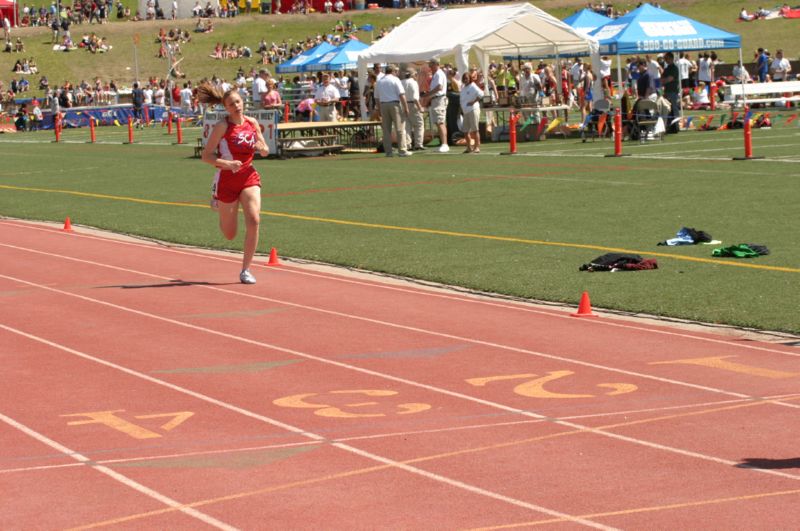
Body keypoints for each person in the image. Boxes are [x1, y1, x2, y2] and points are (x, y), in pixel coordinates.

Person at [198, 83, 269, 285]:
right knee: (230, 235)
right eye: (231, 104)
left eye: (238, 101)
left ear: (242, 102)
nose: (236, 106)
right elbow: (206, 156)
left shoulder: (252, 122)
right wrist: (227, 164)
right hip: (227, 179)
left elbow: (263, 147)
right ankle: (218, 202)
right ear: (226, 107)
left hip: (248, 176)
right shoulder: (222, 127)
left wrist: (262, 149)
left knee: (254, 220)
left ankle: (246, 269)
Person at [375, 64, 411, 157]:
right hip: (394, 104)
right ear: (393, 71)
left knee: (386, 130)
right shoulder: (395, 79)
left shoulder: (379, 81)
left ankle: (388, 152)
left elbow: (377, 98)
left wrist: (378, 109)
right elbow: (401, 94)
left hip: (383, 105)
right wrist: (406, 107)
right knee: (400, 128)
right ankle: (402, 150)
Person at [423, 59, 448, 152]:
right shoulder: (436, 74)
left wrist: (428, 94)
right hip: (436, 99)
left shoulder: (438, 74)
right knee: (438, 122)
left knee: (440, 122)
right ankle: (443, 143)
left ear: (436, 64)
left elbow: (439, 87)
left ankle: (445, 144)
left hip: (439, 99)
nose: (429, 66)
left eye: (431, 64)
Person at [459, 72, 483, 153]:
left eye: (467, 78)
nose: (465, 80)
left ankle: (477, 147)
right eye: (464, 78)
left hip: (473, 110)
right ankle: (469, 147)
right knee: (465, 131)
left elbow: (481, 94)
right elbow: (462, 100)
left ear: (470, 78)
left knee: (475, 130)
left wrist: (474, 102)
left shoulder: (473, 86)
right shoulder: (463, 88)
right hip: (465, 112)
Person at [402, 67, 424, 151]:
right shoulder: (413, 83)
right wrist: (420, 107)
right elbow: (415, 98)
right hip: (413, 104)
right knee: (419, 125)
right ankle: (418, 144)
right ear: (413, 75)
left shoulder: (401, 82)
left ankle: (407, 144)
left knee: (407, 126)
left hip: (404, 105)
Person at [661, 52, 681, 134]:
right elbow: (662, 78)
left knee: (674, 109)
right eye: (665, 59)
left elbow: (669, 79)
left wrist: (663, 81)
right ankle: (669, 125)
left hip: (672, 91)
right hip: (666, 91)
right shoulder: (667, 68)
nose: (665, 60)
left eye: (667, 58)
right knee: (667, 110)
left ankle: (676, 126)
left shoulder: (674, 68)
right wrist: (663, 81)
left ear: (671, 58)